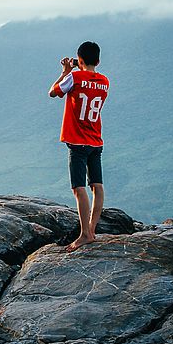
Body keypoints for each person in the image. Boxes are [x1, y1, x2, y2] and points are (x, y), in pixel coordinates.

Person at [48, 41, 109, 251]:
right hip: (96, 140)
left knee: (78, 188)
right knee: (97, 186)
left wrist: (66, 71)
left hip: (77, 141)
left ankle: (84, 235)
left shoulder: (74, 77)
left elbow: (53, 92)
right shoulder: (105, 81)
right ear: (98, 61)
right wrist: (80, 67)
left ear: (80, 60)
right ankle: (92, 229)